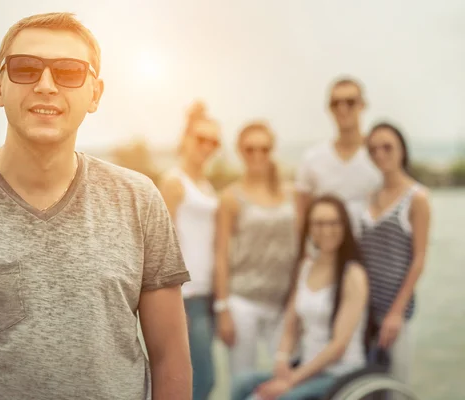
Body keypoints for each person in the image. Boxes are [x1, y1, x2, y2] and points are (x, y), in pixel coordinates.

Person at [0, 12, 192, 400]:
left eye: (69, 72)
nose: (46, 85)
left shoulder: (139, 199)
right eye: (25, 68)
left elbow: (172, 361)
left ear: (95, 93)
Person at [231, 195, 370, 400]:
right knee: (242, 383)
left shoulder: (353, 274)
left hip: (338, 373)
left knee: (283, 398)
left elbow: (339, 346)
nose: (326, 230)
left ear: (344, 226)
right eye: (319, 223)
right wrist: (282, 360)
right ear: (310, 228)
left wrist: (291, 381)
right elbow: (290, 326)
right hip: (304, 367)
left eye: (333, 223)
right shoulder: (306, 268)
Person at [213, 122, 297, 379]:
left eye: (264, 148)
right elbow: (220, 255)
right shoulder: (231, 197)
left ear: (272, 150)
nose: (257, 155)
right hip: (243, 302)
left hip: (283, 304)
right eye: (250, 149)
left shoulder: (291, 194)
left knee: (287, 381)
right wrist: (223, 309)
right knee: (242, 381)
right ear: (240, 151)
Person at [360, 122, 431, 391]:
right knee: (368, 387)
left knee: (397, 388)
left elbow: (419, 259)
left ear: (402, 149)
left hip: (394, 314)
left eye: (387, 147)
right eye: (373, 149)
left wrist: (396, 312)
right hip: (365, 312)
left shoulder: (417, 198)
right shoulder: (370, 196)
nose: (380, 154)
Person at [158, 101, 220, 400]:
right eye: (201, 138)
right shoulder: (174, 182)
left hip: (208, 294)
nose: (207, 146)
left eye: (214, 141)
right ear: (186, 139)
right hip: (187, 297)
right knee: (201, 380)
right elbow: (159, 243)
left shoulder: (206, 184)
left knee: (198, 380)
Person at [294, 77, 382, 238]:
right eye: (336, 103)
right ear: (329, 108)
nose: (343, 109)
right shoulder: (311, 159)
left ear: (363, 105)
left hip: (372, 255)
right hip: (327, 256)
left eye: (350, 102)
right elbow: (301, 218)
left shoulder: (380, 157)